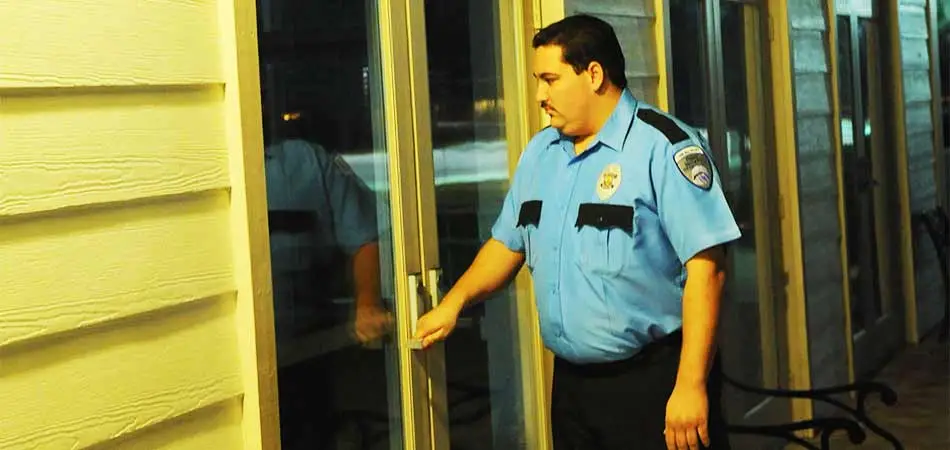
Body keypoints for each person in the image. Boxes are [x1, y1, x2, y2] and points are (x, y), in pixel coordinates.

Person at [413, 14, 739, 450]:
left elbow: (708, 271)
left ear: (594, 74)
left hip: (653, 382)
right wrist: (453, 303)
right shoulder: (542, 152)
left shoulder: (663, 146)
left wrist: (691, 385)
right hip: (571, 386)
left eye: (549, 79)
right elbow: (507, 244)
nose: (539, 95)